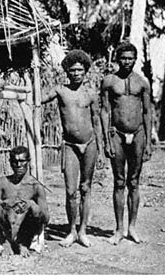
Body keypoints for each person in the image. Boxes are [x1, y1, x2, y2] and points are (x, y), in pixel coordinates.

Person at [42, 49, 103, 248]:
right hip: (69, 145)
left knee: (86, 188)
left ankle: (83, 231)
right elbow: (40, 98)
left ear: (85, 71)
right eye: (73, 70)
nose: (76, 73)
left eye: (80, 70)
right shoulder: (61, 90)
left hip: (90, 144)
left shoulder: (91, 94)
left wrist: (100, 147)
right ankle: (71, 231)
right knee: (70, 191)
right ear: (67, 72)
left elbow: (96, 120)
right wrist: (32, 74)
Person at [100, 42, 153, 245]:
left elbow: (147, 112)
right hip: (117, 135)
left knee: (134, 182)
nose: (127, 61)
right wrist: (106, 139)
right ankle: (119, 229)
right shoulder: (109, 82)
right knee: (119, 182)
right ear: (117, 58)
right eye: (123, 58)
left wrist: (148, 142)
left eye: (130, 58)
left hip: (138, 133)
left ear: (135, 58)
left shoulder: (142, 82)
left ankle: (132, 227)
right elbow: (105, 110)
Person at [0, 146, 49, 257]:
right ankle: (5, 243)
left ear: (28, 162)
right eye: (15, 162)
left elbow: (45, 218)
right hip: (5, 226)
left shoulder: (35, 186)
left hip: (25, 228)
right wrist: (3, 204)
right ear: (10, 163)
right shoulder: (2, 182)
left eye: (22, 161)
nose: (19, 165)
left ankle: (23, 244)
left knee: (35, 208)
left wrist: (31, 204)